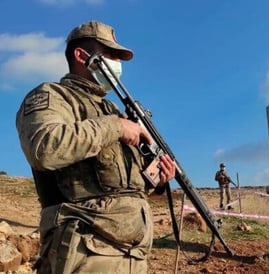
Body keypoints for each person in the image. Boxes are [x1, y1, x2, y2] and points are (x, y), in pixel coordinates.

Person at [15, 20, 176, 274]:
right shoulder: (52, 96)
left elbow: (123, 185)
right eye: (111, 54)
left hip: (133, 256)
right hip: (84, 253)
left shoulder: (111, 110)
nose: (117, 64)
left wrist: (158, 179)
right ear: (81, 56)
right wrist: (116, 128)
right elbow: (44, 148)